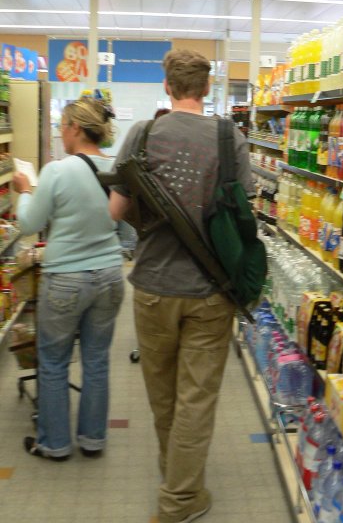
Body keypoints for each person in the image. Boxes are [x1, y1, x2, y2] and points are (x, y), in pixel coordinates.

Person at [109, 49, 254, 523]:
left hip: (152, 286)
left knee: (163, 393)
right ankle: (180, 497)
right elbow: (244, 204)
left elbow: (115, 211)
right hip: (211, 291)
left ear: (167, 88)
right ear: (207, 88)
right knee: (197, 396)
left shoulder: (143, 133)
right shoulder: (228, 135)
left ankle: (175, 480)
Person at [13, 96, 125, 461]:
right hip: (110, 275)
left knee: (55, 360)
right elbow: (124, 227)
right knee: (97, 360)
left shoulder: (57, 172)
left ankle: (55, 443)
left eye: (63, 127)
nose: (61, 134)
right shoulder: (117, 169)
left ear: (76, 129)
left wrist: (26, 192)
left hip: (66, 280)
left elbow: (29, 224)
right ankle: (93, 440)